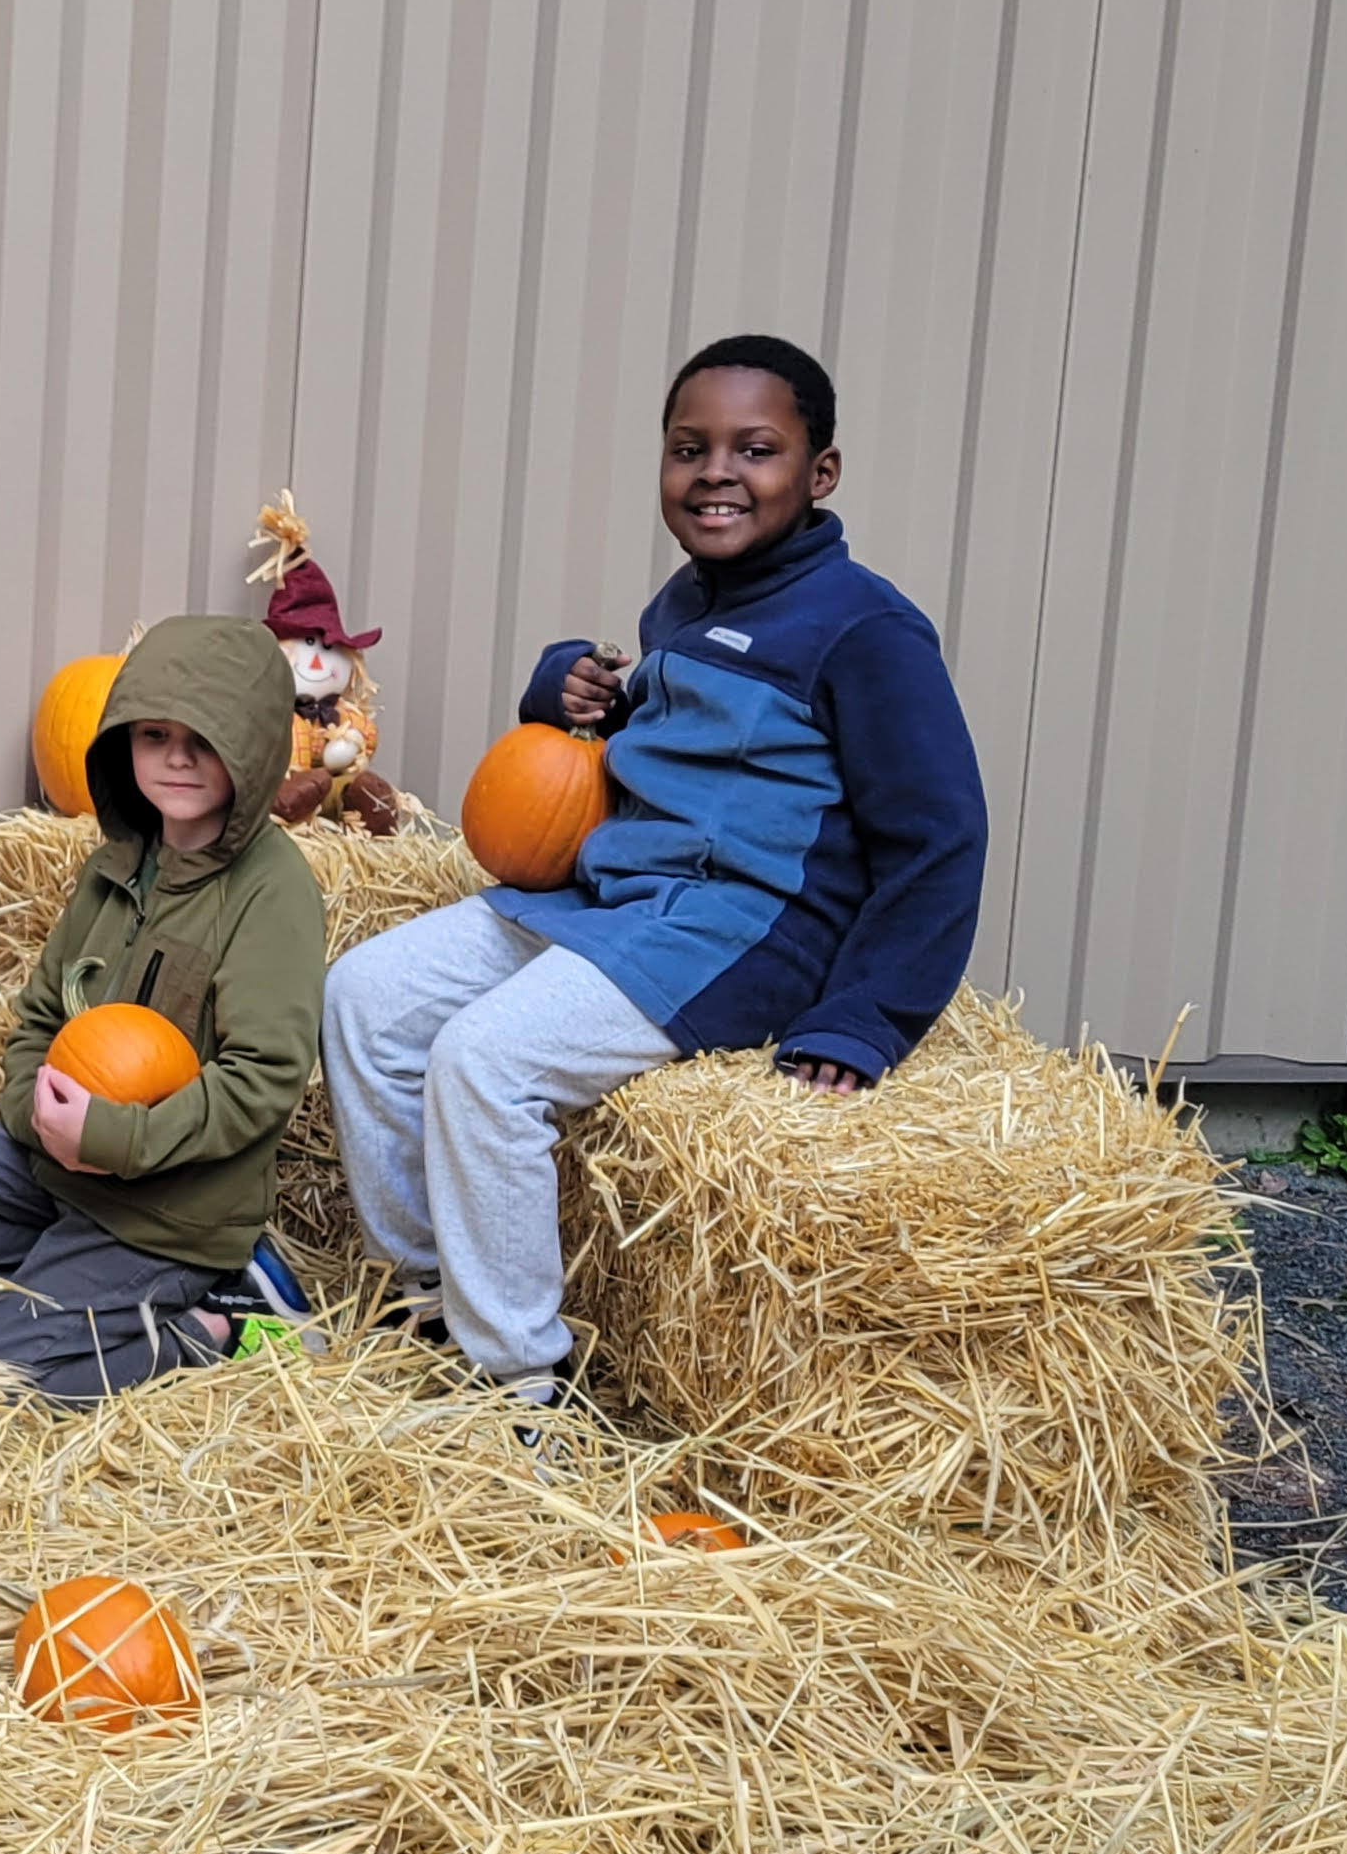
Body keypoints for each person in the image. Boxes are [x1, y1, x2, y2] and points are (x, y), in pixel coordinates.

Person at [322, 333, 987, 1412]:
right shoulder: (685, 603)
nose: (716, 472)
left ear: (820, 474)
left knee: (487, 1060)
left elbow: (941, 835)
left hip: (740, 925)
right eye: (690, 448)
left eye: (755, 449)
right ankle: (433, 1300)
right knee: (365, 997)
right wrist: (565, 692)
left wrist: (864, 1019)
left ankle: (513, 1384)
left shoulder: (866, 632)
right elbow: (677, 736)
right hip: (614, 893)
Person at [0, 616, 326, 1396]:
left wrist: (116, 1137)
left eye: (204, 739)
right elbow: (43, 1013)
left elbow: (262, 1080)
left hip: (168, 1212)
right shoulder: (116, 864)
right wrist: (34, 1114)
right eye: (154, 734)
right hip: (58, 1168)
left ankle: (205, 1325)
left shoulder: (272, 889)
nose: (176, 758)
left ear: (253, 750)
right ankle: (71, 1282)